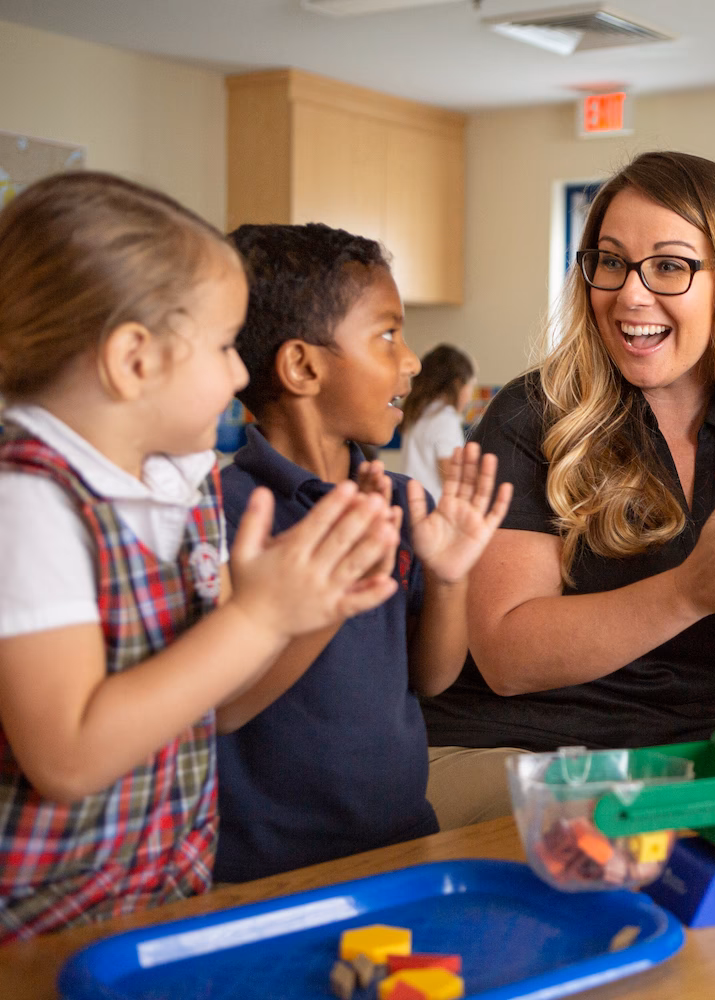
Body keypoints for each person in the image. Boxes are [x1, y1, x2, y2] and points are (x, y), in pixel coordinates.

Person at [0, 173, 401, 939]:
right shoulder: (28, 504)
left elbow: (214, 709)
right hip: (40, 936)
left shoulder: (175, 497)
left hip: (163, 907)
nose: (240, 375)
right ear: (134, 360)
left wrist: (313, 608)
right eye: (222, 346)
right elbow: (70, 758)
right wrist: (256, 615)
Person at [421, 150, 715, 829]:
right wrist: (688, 592)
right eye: (612, 261)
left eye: (670, 266)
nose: (629, 293)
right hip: (510, 750)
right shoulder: (531, 414)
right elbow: (506, 657)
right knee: (632, 836)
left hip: (678, 765)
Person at [215, 223, 511, 881]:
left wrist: (449, 576)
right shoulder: (230, 510)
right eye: (388, 334)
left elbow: (431, 679)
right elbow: (225, 701)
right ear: (302, 365)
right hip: (267, 870)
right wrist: (330, 595)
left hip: (401, 842)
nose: (411, 360)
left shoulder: (400, 500)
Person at [400, 344, 477, 497]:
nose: (469, 397)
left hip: (411, 501)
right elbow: (451, 477)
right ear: (457, 384)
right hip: (433, 508)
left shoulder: (420, 413)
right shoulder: (445, 419)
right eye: (470, 387)